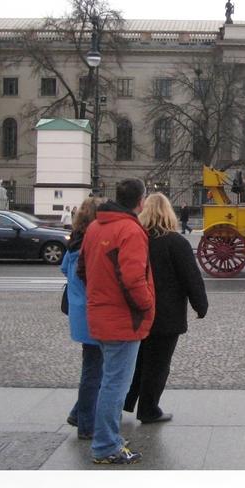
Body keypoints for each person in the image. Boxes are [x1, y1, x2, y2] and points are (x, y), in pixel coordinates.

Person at [79, 177, 154, 464]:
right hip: (123, 318)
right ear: (140, 201)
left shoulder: (96, 226)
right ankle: (105, 445)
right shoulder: (130, 230)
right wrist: (146, 305)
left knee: (107, 381)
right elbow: (134, 277)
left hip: (100, 313)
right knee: (115, 385)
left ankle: (108, 437)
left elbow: (83, 269)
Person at [123, 193, 208, 424]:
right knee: (158, 365)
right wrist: (200, 305)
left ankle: (127, 401)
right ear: (168, 213)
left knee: (137, 361)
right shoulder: (175, 242)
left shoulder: (135, 237)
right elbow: (191, 277)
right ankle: (149, 409)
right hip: (167, 313)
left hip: (137, 310)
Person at [62, 198, 104, 440]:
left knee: (93, 368)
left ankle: (79, 413)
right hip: (92, 313)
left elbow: (63, 270)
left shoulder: (75, 240)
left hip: (78, 312)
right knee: (94, 372)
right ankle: (86, 424)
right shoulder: (91, 244)